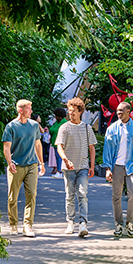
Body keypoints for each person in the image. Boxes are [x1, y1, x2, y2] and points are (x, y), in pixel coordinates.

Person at [102, 101, 133, 238]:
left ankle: (130, 222)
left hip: (132, 166)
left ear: (129, 112)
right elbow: (107, 151)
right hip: (117, 166)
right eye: (117, 111)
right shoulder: (111, 129)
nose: (119, 113)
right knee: (116, 196)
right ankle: (118, 223)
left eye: (121, 110)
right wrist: (107, 169)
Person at [2, 99, 45, 237]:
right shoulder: (11, 126)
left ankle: (28, 225)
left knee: (31, 194)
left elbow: (38, 145)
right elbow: (6, 147)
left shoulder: (34, 125)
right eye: (29, 108)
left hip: (32, 164)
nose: (31, 111)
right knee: (12, 197)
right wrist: (10, 162)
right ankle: (14, 224)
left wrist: (41, 163)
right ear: (21, 110)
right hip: (16, 165)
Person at [55, 97, 97, 237]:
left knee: (82, 194)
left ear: (80, 111)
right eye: (69, 111)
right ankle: (70, 222)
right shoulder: (64, 127)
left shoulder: (87, 128)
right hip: (68, 168)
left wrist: (92, 166)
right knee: (69, 195)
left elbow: (91, 148)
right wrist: (65, 159)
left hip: (83, 166)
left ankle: (83, 223)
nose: (70, 113)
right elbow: (59, 147)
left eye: (73, 111)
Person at [48, 107, 67, 178]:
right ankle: (59, 171)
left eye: (56, 115)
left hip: (61, 143)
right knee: (57, 157)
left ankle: (59, 171)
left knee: (59, 157)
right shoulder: (57, 122)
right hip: (55, 143)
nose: (55, 117)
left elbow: (53, 130)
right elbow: (51, 130)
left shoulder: (64, 123)